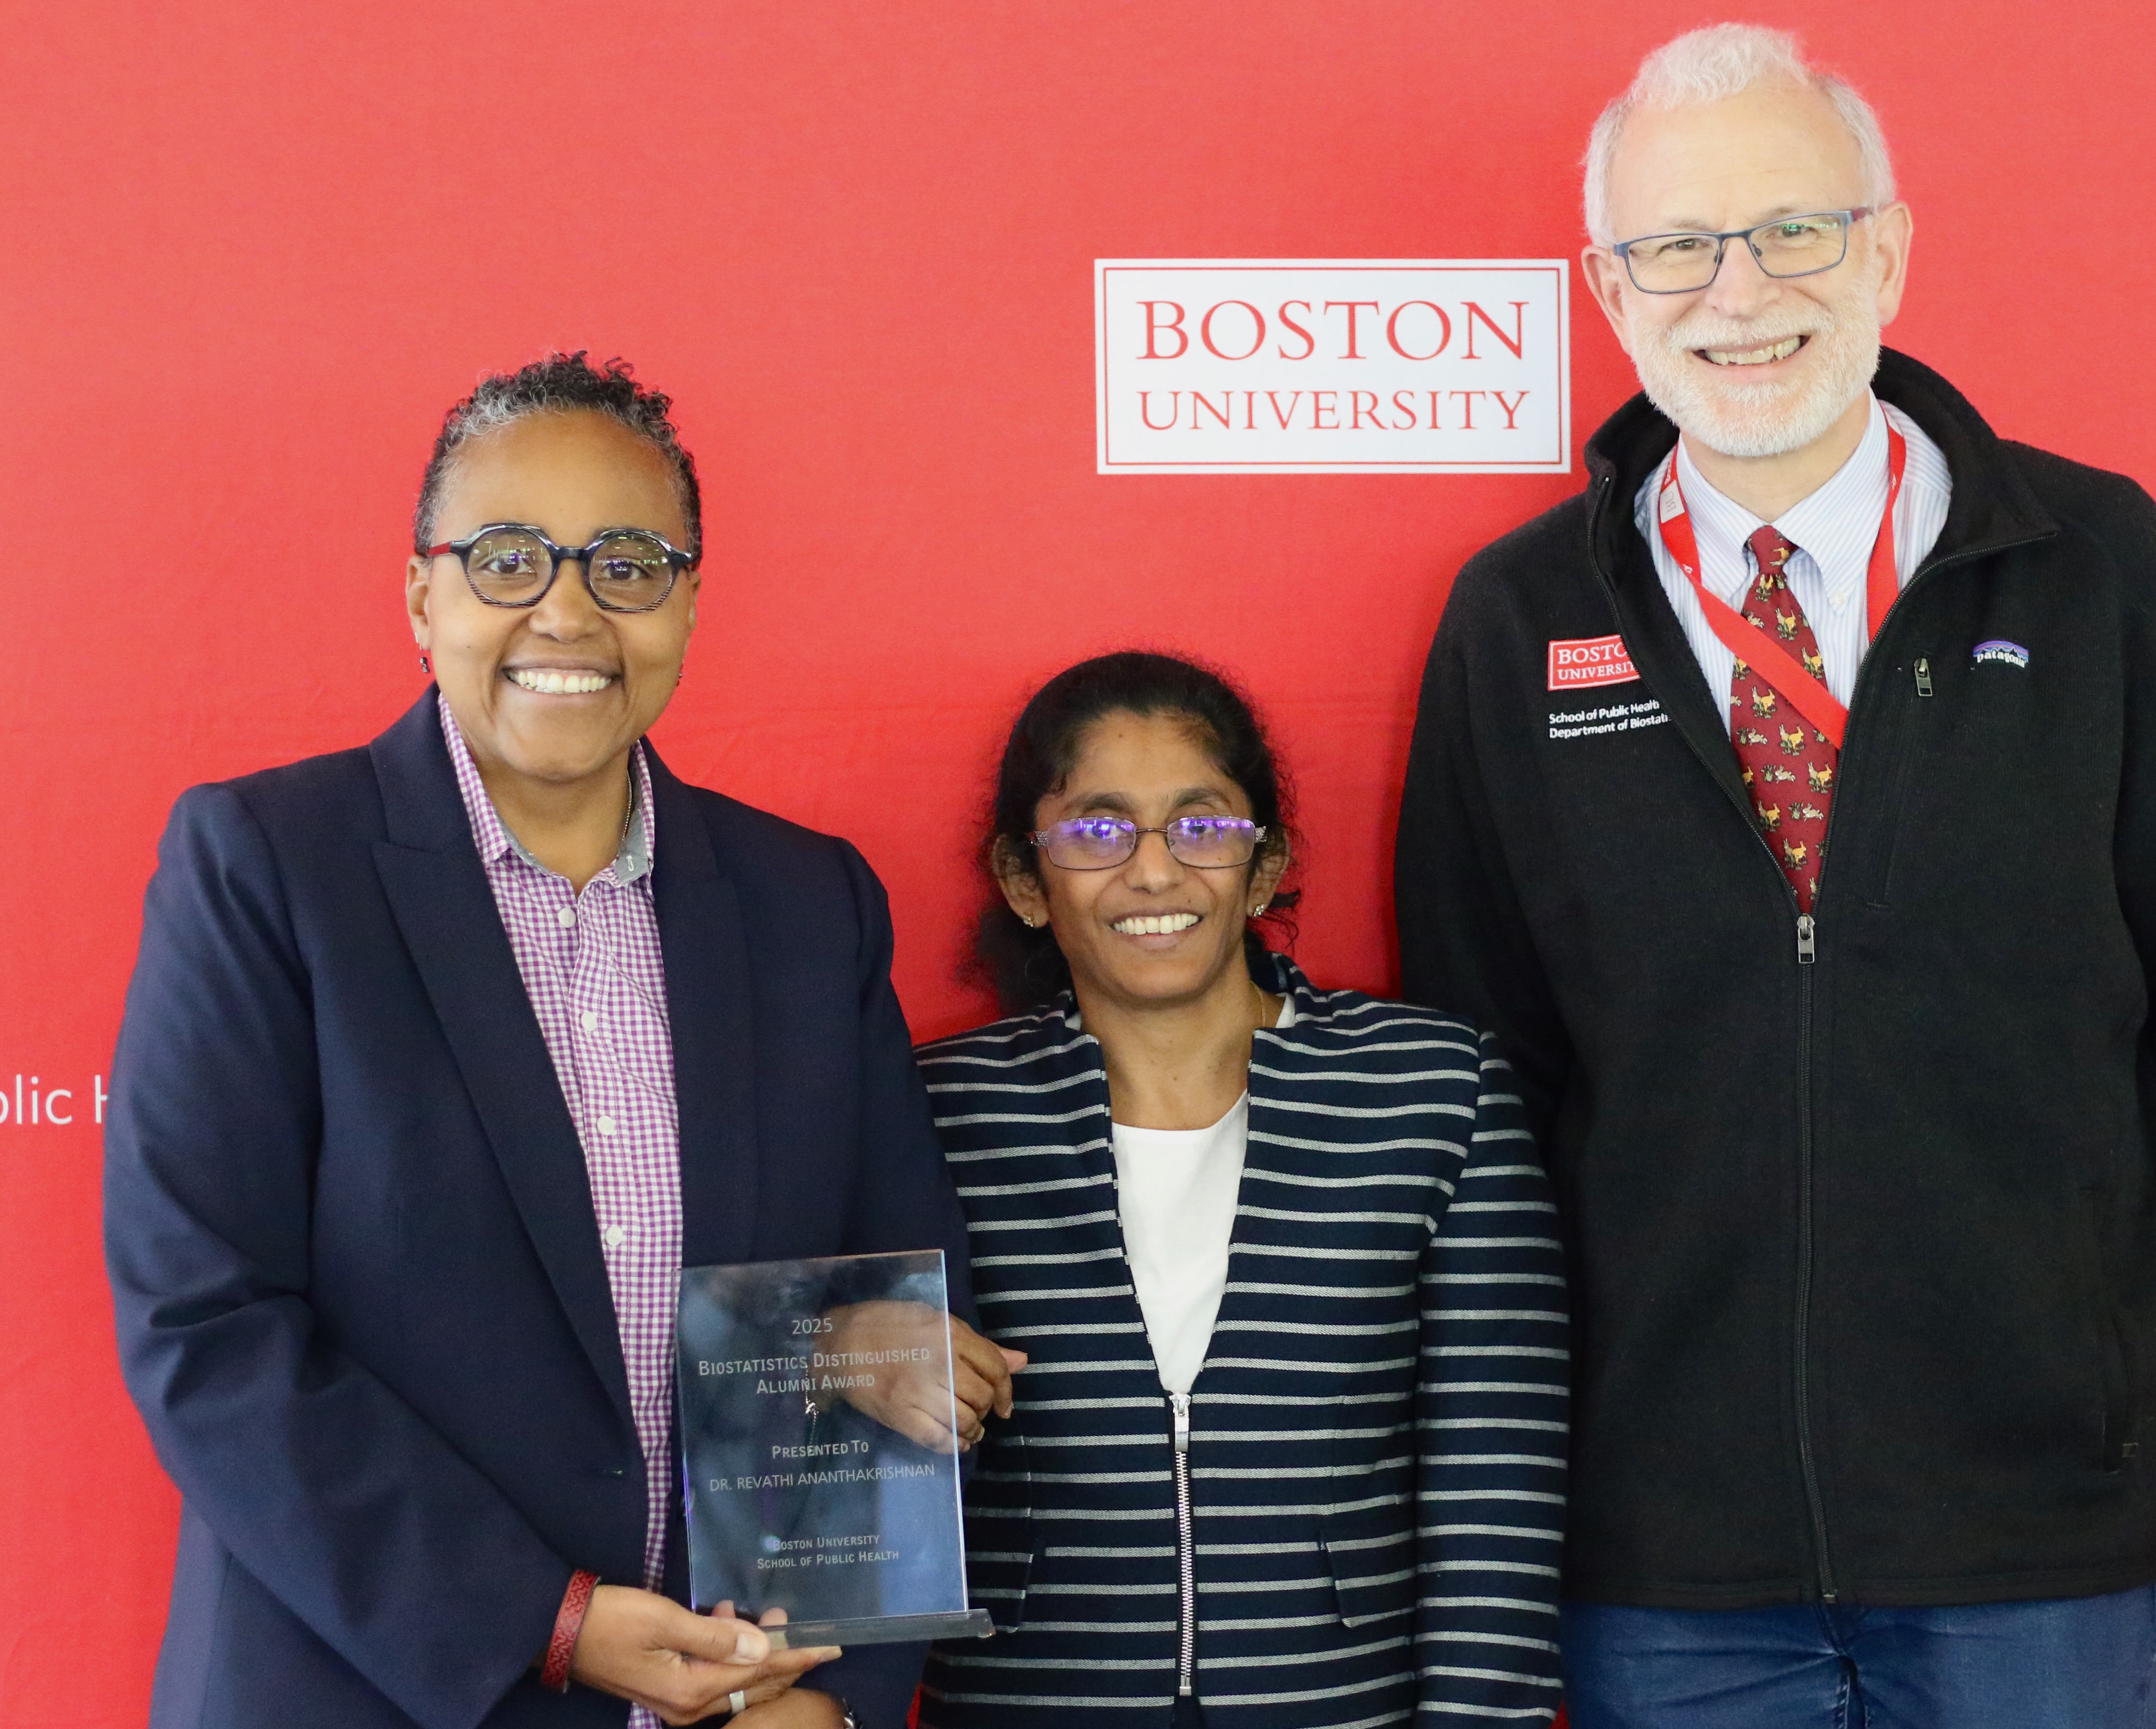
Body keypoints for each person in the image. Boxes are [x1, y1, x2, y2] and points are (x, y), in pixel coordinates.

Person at [1393, 25, 2156, 1729]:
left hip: (2038, 1553)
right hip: (1666, 1563)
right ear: (1610, 290)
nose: (1737, 290)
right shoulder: (1520, 614)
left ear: (1889, 249)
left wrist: (2110, 1369)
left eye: (1794, 230)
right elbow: (1487, 1071)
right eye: (1675, 246)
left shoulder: (2095, 564)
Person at [104, 353, 1018, 1729]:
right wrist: (552, 1621)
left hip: (740, 1706)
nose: (569, 608)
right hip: (366, 1691)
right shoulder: (269, 867)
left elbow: (882, 1318)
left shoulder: (805, 902)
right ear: (423, 593)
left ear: (689, 601)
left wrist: (822, 1676)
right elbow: (207, 1326)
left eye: (629, 562)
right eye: (509, 556)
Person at [913, 652, 1567, 1728]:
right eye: (1096, 830)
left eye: (1202, 827)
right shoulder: (936, 1110)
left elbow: (1497, 1464)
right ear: (1026, 880)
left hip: (1340, 1700)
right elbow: (820, 1392)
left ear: (1263, 868)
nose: (1155, 872)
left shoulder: (1434, 1087)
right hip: (1034, 1695)